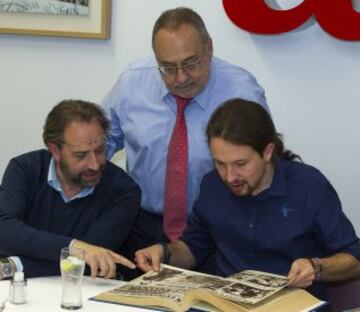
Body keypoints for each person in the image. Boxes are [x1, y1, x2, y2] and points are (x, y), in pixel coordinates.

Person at [135, 98, 360, 303]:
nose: (229, 176)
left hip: (292, 305)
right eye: (220, 164)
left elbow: (354, 258)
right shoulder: (212, 185)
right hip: (226, 304)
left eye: (241, 164)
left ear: (267, 152)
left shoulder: (308, 186)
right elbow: (193, 249)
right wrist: (163, 253)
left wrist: (316, 267)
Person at [102, 7, 268, 271]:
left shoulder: (242, 91)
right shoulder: (133, 83)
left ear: (209, 49)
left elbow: (262, 164)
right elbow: (101, 144)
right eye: (167, 67)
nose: (180, 78)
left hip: (215, 229)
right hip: (142, 226)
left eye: (191, 64)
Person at [0, 99, 141, 280]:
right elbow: (5, 231)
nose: (94, 164)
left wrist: (13, 266)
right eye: (81, 155)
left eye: (99, 151)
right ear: (55, 151)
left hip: (85, 295)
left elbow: (89, 262)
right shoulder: (24, 169)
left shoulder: (123, 191)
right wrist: (73, 247)